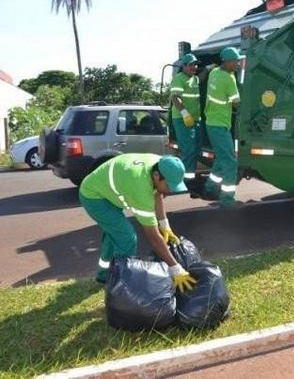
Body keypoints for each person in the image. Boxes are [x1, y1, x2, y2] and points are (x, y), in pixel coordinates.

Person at [79, 153, 197, 293]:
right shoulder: (140, 187)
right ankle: (122, 287)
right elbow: (153, 237)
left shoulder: (160, 164)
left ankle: (104, 275)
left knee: (114, 235)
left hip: (108, 190)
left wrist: (165, 226)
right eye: (168, 185)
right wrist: (175, 268)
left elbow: (157, 193)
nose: (170, 190)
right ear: (156, 176)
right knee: (126, 238)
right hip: (94, 196)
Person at [202, 46, 244, 208]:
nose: (238, 65)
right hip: (220, 125)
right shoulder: (228, 78)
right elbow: (236, 103)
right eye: (236, 62)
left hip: (212, 123)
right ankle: (227, 199)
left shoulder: (214, 73)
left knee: (221, 158)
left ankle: (210, 187)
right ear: (227, 62)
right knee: (231, 162)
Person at [170, 53, 202, 192]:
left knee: (194, 149)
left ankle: (189, 178)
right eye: (191, 65)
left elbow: (202, 76)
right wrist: (185, 114)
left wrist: (209, 67)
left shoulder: (194, 79)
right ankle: (184, 182)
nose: (194, 67)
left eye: (195, 65)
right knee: (188, 150)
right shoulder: (179, 78)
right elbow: (175, 98)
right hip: (183, 119)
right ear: (183, 66)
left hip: (195, 119)